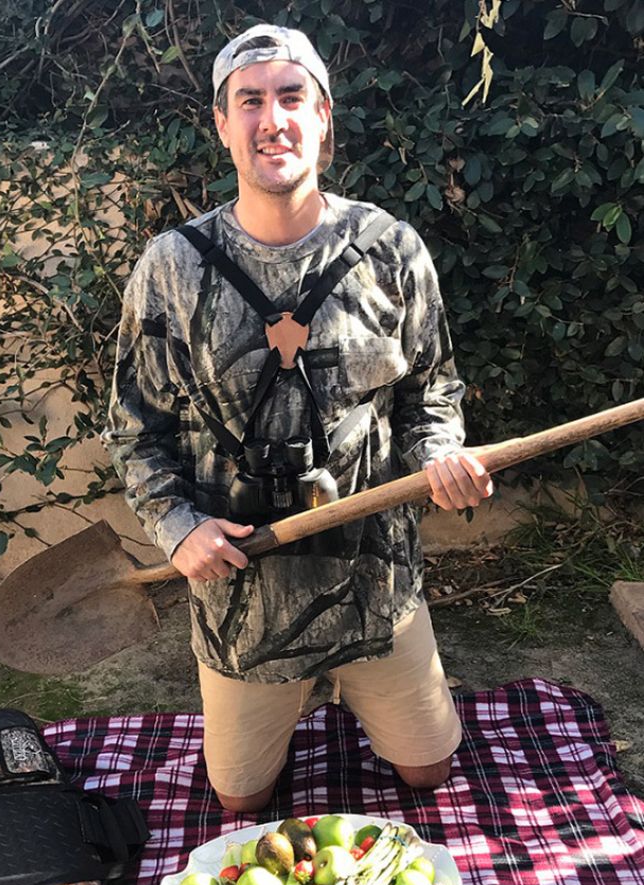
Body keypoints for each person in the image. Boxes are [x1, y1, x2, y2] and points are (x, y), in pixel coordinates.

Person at [102, 24, 493, 814]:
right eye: (250, 101)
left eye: (291, 97)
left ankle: (366, 697)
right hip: (245, 602)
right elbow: (135, 425)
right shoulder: (171, 267)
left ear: (323, 119)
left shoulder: (392, 248)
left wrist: (441, 455)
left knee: (429, 776)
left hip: (376, 584)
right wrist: (177, 526)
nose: (271, 119)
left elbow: (432, 391)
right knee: (241, 802)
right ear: (221, 124)